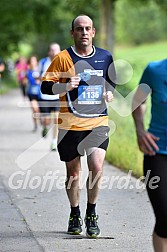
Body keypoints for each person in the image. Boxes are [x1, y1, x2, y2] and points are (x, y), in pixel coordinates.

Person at [41, 15, 115, 238]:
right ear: (72, 33)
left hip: (98, 122)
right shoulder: (62, 58)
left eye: (88, 28)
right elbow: (46, 87)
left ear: (93, 32)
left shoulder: (105, 56)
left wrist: (109, 92)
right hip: (70, 124)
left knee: (97, 168)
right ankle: (75, 212)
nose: (84, 32)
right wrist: (64, 85)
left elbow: (110, 81)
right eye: (79, 29)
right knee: (73, 173)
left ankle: (91, 213)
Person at [132, 59, 167, 251]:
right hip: (158, 152)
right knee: (165, 218)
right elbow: (138, 101)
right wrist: (140, 131)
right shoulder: (154, 70)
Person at [38, 43, 61, 151]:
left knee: (57, 119)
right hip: (44, 97)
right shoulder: (43, 62)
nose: (54, 52)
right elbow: (37, 76)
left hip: (57, 97)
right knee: (46, 120)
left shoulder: (62, 62)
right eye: (52, 50)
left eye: (56, 50)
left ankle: (53, 142)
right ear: (49, 52)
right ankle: (45, 127)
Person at [26, 56, 41, 132]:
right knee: (35, 109)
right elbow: (32, 81)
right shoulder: (28, 71)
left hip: (40, 93)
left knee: (40, 110)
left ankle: (42, 121)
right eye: (32, 61)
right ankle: (35, 125)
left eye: (34, 60)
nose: (33, 62)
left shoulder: (40, 70)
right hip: (31, 93)